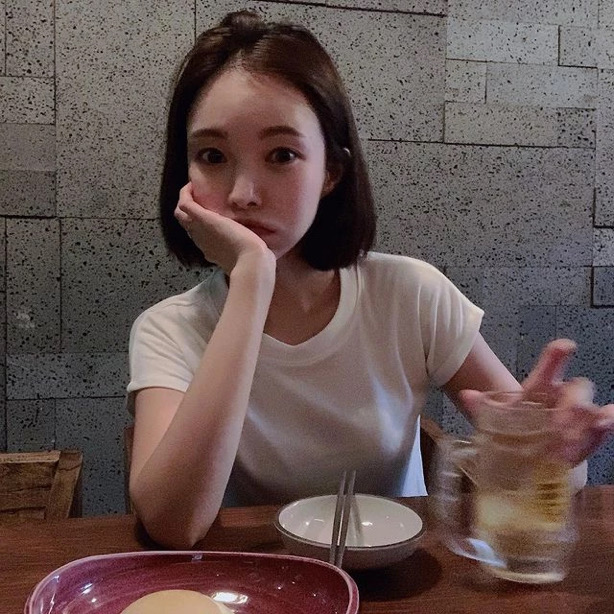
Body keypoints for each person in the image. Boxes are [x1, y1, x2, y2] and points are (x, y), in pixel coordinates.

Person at [127, 10, 614, 549]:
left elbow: (543, 472)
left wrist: (547, 448)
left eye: (282, 155)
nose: (243, 193)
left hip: (399, 576)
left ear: (331, 172)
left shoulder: (410, 295)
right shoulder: (170, 329)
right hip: (265, 578)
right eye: (212, 156)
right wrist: (251, 280)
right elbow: (173, 526)